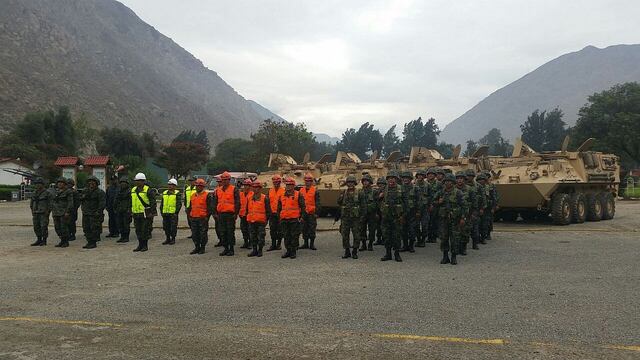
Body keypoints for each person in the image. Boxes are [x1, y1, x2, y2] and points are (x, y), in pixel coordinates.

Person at [435, 173, 467, 265]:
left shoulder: (458, 193)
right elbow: (433, 203)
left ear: (453, 183)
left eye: (450, 181)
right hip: (443, 219)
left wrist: (463, 218)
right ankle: (445, 256)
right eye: (446, 181)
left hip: (455, 220)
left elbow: (464, 206)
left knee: (455, 238)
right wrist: (438, 202)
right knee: (444, 238)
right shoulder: (440, 192)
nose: (447, 183)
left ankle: (454, 257)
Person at [212, 171, 240, 256]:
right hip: (221, 214)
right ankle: (225, 248)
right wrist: (215, 213)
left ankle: (231, 249)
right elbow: (215, 202)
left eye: (226, 180)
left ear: (229, 180)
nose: (224, 181)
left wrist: (236, 214)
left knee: (230, 232)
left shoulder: (234, 189)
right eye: (223, 180)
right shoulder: (218, 190)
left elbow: (237, 202)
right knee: (222, 232)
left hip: (230, 214)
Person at [379, 171, 404, 262]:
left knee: (396, 236)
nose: (391, 179)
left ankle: (397, 254)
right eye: (389, 178)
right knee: (386, 235)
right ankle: (388, 253)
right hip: (386, 217)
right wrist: (379, 197)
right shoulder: (384, 189)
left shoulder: (401, 189)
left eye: (393, 178)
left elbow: (406, 203)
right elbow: (377, 202)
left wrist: (403, 215)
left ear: (396, 179)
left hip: (397, 217)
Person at [277, 177, 305, 259]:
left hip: (294, 219)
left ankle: (293, 251)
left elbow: (303, 207)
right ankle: (288, 250)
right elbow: (279, 208)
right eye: (287, 185)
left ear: (293, 186)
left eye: (290, 185)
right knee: (286, 235)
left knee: (294, 235)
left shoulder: (298, 194)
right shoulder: (282, 195)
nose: (288, 186)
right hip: (284, 219)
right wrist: (280, 217)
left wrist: (302, 217)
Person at [131, 172, 157, 252]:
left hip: (145, 214)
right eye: (136, 181)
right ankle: (140, 245)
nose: (137, 182)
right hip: (136, 213)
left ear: (143, 181)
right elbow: (131, 201)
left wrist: (151, 213)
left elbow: (153, 202)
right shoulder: (133, 190)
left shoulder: (148, 190)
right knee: (138, 230)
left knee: (144, 230)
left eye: (139, 180)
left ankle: (145, 245)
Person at [338, 175, 361, 259]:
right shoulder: (344, 193)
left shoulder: (359, 193)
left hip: (355, 218)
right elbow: (339, 203)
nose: (350, 184)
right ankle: (347, 251)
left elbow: (363, 206)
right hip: (345, 217)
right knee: (345, 235)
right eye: (349, 182)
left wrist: (361, 217)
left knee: (356, 235)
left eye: (352, 182)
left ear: (354, 183)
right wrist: (340, 197)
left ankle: (355, 251)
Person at [246, 180, 271, 257]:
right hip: (252, 221)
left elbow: (268, 211)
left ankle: (260, 250)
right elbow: (247, 209)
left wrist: (266, 220)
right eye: (253, 187)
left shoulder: (265, 198)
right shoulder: (249, 198)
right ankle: (254, 250)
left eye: (256, 187)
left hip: (261, 221)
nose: (255, 189)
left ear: (260, 188)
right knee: (252, 236)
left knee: (261, 237)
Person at [80, 176, 106, 249]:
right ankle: (89, 241)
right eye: (89, 182)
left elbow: (102, 203)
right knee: (86, 228)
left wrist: (98, 211)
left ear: (96, 183)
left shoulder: (100, 192)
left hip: (95, 214)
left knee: (94, 229)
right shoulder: (85, 191)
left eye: (93, 182)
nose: (91, 183)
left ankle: (93, 242)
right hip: (86, 213)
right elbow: (81, 199)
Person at [188, 178, 211, 254]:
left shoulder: (207, 195)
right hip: (194, 217)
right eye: (197, 186)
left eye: (200, 186)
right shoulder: (193, 195)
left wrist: (207, 217)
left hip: (202, 218)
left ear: (203, 187)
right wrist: (190, 215)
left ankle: (202, 248)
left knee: (203, 234)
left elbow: (210, 207)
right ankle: (197, 247)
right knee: (195, 234)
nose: (198, 187)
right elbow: (190, 206)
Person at [465, 169, 486, 249]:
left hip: (474, 210)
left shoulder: (478, 186)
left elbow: (483, 198)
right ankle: (463, 245)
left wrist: (482, 208)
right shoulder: (462, 186)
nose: (469, 178)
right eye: (468, 176)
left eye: (471, 176)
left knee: (475, 227)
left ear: (473, 177)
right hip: (464, 209)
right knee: (464, 228)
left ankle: (475, 243)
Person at [299, 173, 320, 250]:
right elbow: (299, 202)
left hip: (312, 213)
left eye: (309, 181)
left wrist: (317, 213)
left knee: (312, 228)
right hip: (304, 213)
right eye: (306, 181)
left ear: (312, 182)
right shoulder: (301, 190)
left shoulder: (315, 191)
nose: (308, 182)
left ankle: (312, 244)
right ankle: (305, 243)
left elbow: (318, 202)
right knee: (304, 228)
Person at [52, 177, 74, 248]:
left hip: (63, 212)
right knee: (57, 227)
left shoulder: (68, 191)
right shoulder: (55, 191)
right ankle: (61, 240)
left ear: (65, 184)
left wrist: (67, 211)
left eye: (62, 183)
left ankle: (65, 241)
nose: (60, 184)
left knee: (64, 227)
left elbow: (70, 202)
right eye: (59, 183)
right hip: (56, 212)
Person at [30, 178, 52, 246]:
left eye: (39, 184)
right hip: (35, 212)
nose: (37, 185)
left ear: (42, 184)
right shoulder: (34, 193)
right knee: (36, 227)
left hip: (43, 212)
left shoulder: (47, 193)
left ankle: (44, 240)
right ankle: (39, 239)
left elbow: (50, 203)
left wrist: (48, 211)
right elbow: (31, 203)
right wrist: (32, 210)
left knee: (43, 227)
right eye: (36, 184)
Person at [455, 171, 472, 256]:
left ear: (464, 180)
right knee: (456, 232)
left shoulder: (469, 189)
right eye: (458, 178)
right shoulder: (452, 189)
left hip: (466, 214)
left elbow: (474, 202)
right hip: (455, 214)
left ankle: (463, 247)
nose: (459, 180)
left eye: (461, 178)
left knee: (465, 232)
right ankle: (456, 248)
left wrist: (473, 213)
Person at [358, 174, 377, 251]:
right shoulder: (359, 192)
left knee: (372, 229)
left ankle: (370, 244)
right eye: (364, 181)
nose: (365, 183)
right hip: (362, 213)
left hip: (371, 213)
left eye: (367, 181)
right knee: (362, 229)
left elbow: (377, 202)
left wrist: (376, 213)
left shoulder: (374, 192)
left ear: (370, 182)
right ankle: (364, 244)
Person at [400, 171, 417, 253]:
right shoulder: (400, 188)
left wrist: (418, 212)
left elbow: (419, 201)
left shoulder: (415, 188)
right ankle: (405, 245)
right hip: (403, 213)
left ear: (410, 179)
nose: (406, 179)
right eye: (404, 178)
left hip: (412, 213)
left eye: (407, 178)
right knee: (403, 230)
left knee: (412, 230)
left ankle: (411, 246)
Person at [160, 178, 182, 245]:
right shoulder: (164, 193)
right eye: (169, 185)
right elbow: (162, 203)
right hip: (165, 213)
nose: (170, 186)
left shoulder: (177, 193)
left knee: (173, 227)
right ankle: (167, 238)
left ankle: (173, 239)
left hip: (173, 214)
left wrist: (176, 212)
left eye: (171, 185)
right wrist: (161, 211)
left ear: (175, 186)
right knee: (166, 227)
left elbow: (179, 204)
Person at [266, 175, 285, 251]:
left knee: (280, 230)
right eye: (274, 182)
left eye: (277, 182)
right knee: (272, 230)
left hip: (280, 214)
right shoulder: (270, 191)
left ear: (280, 182)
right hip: (272, 214)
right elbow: (267, 202)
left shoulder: (283, 191)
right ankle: (273, 244)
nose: (276, 183)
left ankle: (279, 244)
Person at [414, 169, 430, 247]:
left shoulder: (427, 185)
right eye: (418, 175)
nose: (420, 176)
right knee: (416, 225)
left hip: (425, 208)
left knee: (425, 225)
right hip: (416, 208)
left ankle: (423, 240)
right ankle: (418, 239)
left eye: (422, 175)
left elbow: (431, 196)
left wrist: (430, 205)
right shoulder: (414, 185)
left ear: (424, 176)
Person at [114, 177, 132, 243]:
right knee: (120, 224)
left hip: (126, 210)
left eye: (124, 183)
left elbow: (131, 201)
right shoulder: (118, 191)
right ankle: (122, 237)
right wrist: (115, 208)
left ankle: (126, 237)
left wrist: (129, 210)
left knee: (126, 225)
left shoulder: (129, 191)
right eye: (121, 183)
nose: (122, 184)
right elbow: (115, 200)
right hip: (119, 210)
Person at [426, 167, 440, 243]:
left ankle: (434, 237)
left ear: (435, 175)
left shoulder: (438, 184)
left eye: (432, 174)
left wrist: (438, 202)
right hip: (426, 205)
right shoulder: (425, 184)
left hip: (435, 205)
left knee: (434, 222)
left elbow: (442, 193)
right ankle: (429, 236)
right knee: (428, 222)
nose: (430, 175)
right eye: (429, 174)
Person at [477, 173, 492, 243]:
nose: (481, 181)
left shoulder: (488, 187)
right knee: (476, 224)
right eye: (479, 180)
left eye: (482, 180)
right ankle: (477, 237)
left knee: (485, 224)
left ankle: (483, 237)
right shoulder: (475, 187)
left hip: (486, 208)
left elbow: (493, 196)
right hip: (477, 208)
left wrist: (493, 206)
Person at [238, 178, 253, 249]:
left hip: (249, 215)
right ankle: (245, 242)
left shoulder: (253, 195)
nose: (246, 187)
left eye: (248, 185)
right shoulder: (241, 194)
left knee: (250, 229)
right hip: (242, 215)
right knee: (243, 229)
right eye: (245, 185)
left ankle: (251, 243)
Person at [373, 177, 386, 246]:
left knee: (384, 226)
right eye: (380, 184)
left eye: (382, 184)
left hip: (384, 211)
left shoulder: (387, 191)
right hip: (378, 211)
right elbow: (374, 200)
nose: (381, 185)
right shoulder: (376, 191)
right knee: (378, 226)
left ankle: (384, 239)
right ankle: (378, 239)